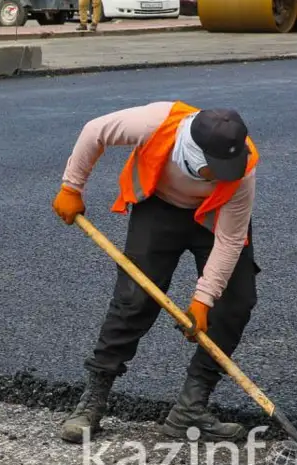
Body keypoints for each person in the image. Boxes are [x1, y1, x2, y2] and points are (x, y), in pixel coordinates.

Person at [52, 101, 261, 445]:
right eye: (217, 171)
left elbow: (230, 240)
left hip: (215, 216)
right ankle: (93, 400)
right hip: (160, 206)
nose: (227, 175)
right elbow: (94, 131)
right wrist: (72, 187)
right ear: (192, 158)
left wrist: (203, 301)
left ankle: (190, 408)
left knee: (235, 301)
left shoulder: (243, 168)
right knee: (134, 299)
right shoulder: (154, 123)